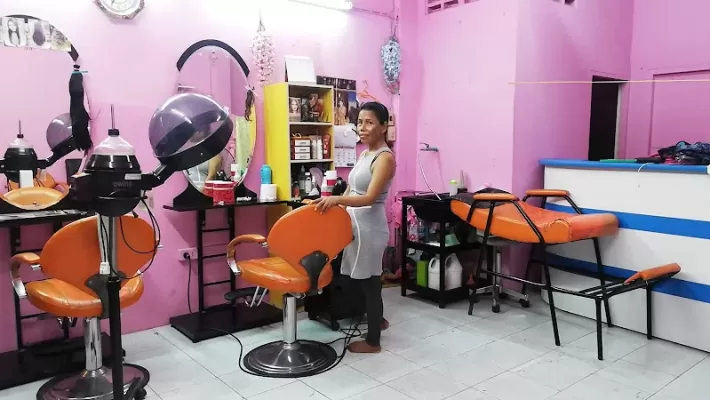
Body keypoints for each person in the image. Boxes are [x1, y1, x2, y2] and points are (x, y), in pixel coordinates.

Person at [312, 101, 396, 353]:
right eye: (359, 122)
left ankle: (373, 341)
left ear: (383, 127)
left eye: (369, 122)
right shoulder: (364, 154)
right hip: (355, 224)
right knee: (359, 278)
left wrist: (336, 200)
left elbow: (369, 197)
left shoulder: (385, 158)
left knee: (369, 282)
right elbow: (351, 188)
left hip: (370, 227)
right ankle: (377, 320)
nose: (362, 127)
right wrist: (333, 205)